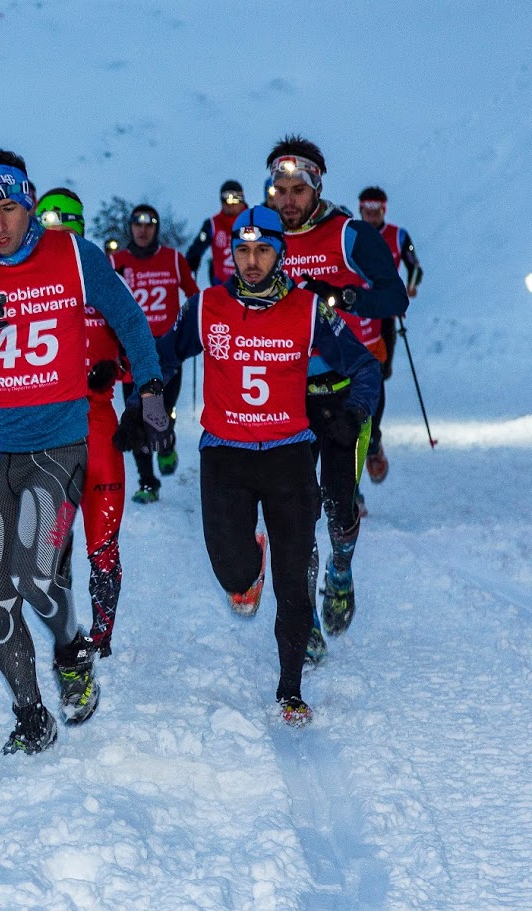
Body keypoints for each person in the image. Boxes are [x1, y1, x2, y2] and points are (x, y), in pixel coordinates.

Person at [0, 150, 168, 754]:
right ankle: (31, 714)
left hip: (58, 443)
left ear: (30, 203)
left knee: (36, 577)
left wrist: (150, 390)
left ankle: (70, 650)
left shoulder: (73, 256)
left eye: (9, 209)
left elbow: (132, 321)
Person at [157, 206, 381, 726]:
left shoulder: (309, 311)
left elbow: (363, 364)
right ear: (230, 253)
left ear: (280, 252)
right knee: (233, 573)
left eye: (262, 250)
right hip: (224, 454)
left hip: (288, 454)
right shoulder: (205, 306)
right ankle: (245, 568)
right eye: (242, 251)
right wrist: (146, 394)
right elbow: (164, 352)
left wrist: (354, 412)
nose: (251, 261)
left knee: (293, 577)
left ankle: (290, 688)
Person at [267, 136, 408, 646]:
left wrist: (344, 294)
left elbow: (394, 296)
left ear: (316, 186)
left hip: (345, 392)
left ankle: (341, 576)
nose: (287, 199)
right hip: (285, 394)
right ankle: (302, 615)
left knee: (339, 504)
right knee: (295, 511)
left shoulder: (348, 234)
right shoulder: (263, 235)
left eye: (297, 189)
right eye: (279, 188)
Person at [35, 187, 126, 658]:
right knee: (47, 547)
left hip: (100, 427)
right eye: (50, 231)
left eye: (66, 232)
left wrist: (128, 384)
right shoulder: (25, 290)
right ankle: (66, 633)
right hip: (47, 433)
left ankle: (101, 636)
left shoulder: (105, 284)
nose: (58, 242)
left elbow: (139, 349)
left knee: (103, 542)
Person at [109, 203, 200, 503]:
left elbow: (194, 295)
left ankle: (167, 441)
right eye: (137, 224)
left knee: (164, 411)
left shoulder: (173, 259)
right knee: (134, 415)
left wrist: (188, 327)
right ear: (131, 228)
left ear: (156, 228)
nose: (143, 230)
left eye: (149, 224)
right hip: (132, 350)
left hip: (167, 351)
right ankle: (148, 482)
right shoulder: (116, 261)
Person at [357, 185, 425, 483]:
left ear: (384, 210)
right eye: (367, 211)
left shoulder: (398, 235)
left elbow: (415, 267)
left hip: (384, 315)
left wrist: (411, 286)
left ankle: (373, 438)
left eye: (376, 211)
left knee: (379, 373)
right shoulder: (352, 232)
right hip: (355, 309)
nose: (371, 216)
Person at [186, 180, 248, 287]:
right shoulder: (212, 224)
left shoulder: (253, 220)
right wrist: (191, 260)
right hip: (222, 285)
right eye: (226, 199)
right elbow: (198, 246)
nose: (231, 204)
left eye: (235, 199)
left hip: (250, 285)